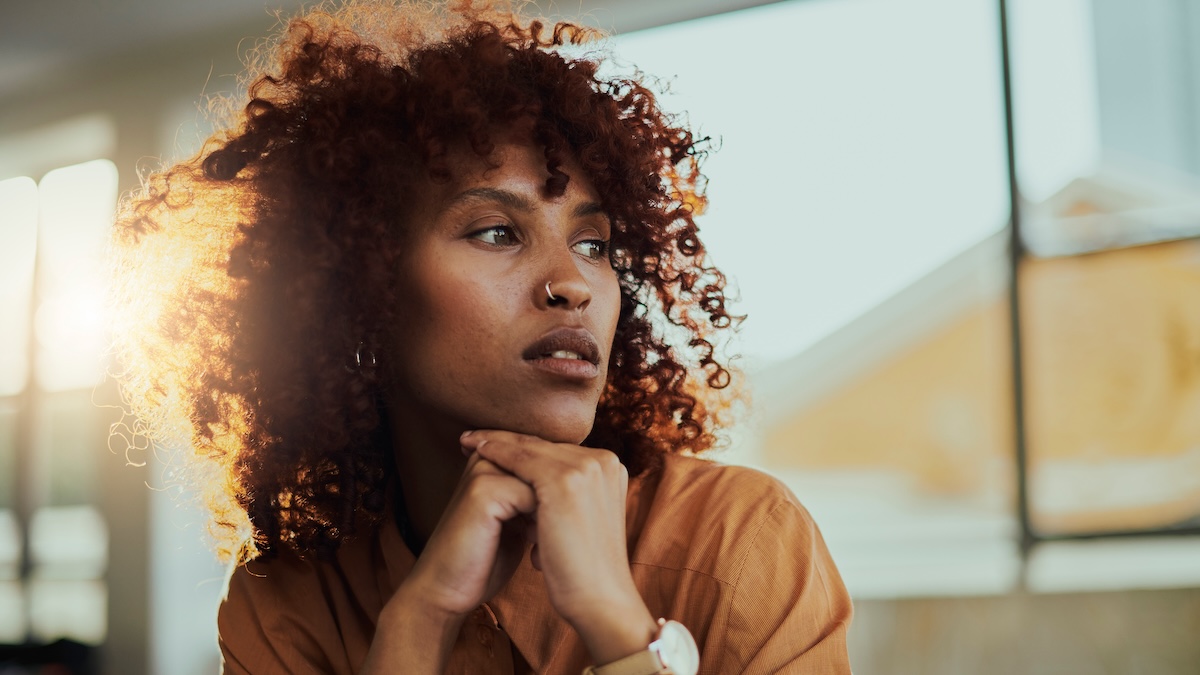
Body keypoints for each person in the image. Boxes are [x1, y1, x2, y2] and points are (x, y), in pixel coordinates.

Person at [108, 1, 853, 672]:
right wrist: (419, 621)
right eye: (497, 231)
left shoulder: (739, 539)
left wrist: (617, 625)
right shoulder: (288, 605)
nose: (572, 283)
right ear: (360, 292)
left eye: (593, 244)